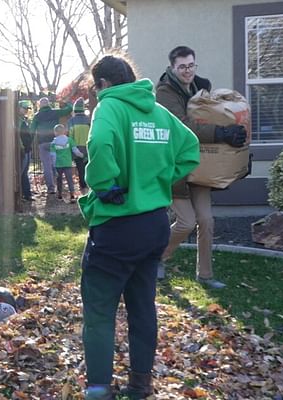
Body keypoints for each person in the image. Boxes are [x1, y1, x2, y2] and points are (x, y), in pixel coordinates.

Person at [77, 53, 200, 399]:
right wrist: (157, 183)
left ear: (103, 84)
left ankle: (99, 389)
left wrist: (103, 186)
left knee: (99, 310)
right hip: (154, 225)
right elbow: (190, 149)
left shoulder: (109, 108)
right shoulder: (158, 112)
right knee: (142, 307)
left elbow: (99, 144)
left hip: (117, 228)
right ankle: (139, 386)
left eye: (95, 88)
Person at [155, 46, 247, 288]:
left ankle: (205, 275)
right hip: (176, 170)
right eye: (182, 67)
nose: (188, 71)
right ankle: (157, 258)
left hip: (201, 167)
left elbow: (212, 114)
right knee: (186, 222)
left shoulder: (200, 87)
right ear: (172, 68)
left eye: (191, 65)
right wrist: (221, 133)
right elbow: (182, 127)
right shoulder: (164, 93)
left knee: (206, 220)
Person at [31, 97, 73, 194]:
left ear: (40, 105)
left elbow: (31, 130)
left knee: (46, 166)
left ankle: (50, 188)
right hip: (55, 142)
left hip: (43, 143)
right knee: (57, 163)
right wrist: (68, 102)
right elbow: (69, 109)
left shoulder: (37, 116)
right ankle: (59, 186)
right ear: (48, 104)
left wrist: (30, 142)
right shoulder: (55, 112)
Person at [51, 123, 84, 201]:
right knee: (69, 179)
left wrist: (53, 164)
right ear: (64, 132)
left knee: (59, 180)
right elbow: (75, 151)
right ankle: (72, 195)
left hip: (58, 164)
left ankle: (59, 195)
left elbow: (53, 155)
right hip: (67, 163)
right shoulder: (69, 140)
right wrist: (81, 155)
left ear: (55, 132)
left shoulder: (53, 143)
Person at [68, 97, 91, 194]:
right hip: (88, 147)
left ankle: (83, 188)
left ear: (74, 110)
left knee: (80, 169)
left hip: (77, 148)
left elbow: (70, 136)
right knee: (89, 168)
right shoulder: (88, 120)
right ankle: (90, 187)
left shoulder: (71, 121)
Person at [17, 100, 34, 201]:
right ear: (18, 108)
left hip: (28, 150)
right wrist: (21, 147)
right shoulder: (18, 121)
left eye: (27, 109)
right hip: (23, 150)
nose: (26, 111)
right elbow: (17, 135)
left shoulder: (24, 120)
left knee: (25, 173)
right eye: (24, 108)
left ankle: (27, 194)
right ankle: (20, 195)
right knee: (21, 172)